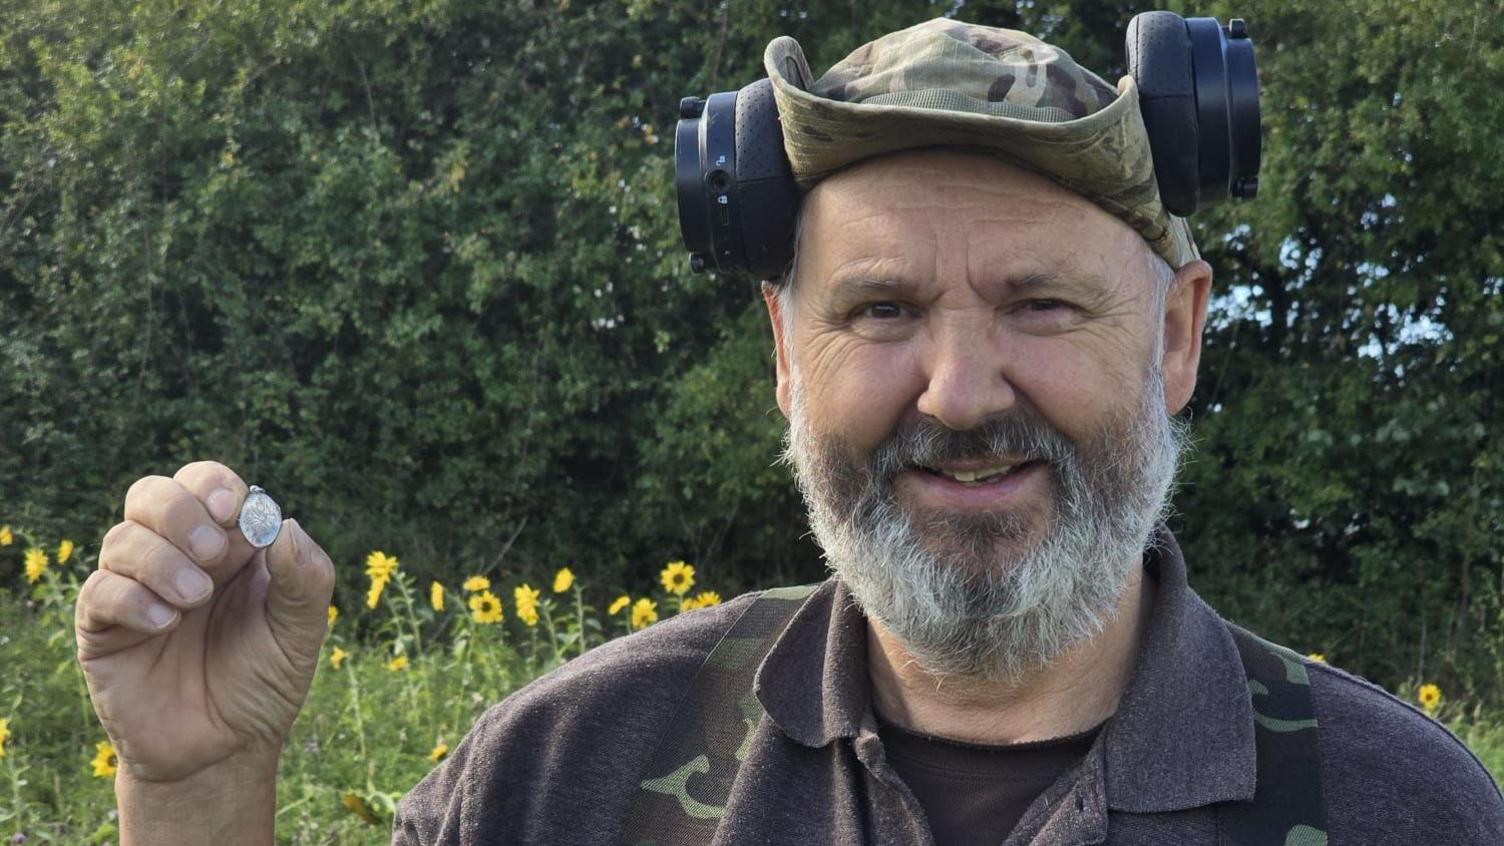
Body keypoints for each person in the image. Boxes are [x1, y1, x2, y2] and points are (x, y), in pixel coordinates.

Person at [75, 19, 1504, 846]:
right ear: (783, 351)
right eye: (881, 309)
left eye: (1043, 305)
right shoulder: (556, 782)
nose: (957, 392)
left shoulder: (1410, 814)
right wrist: (194, 792)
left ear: (1178, 335)